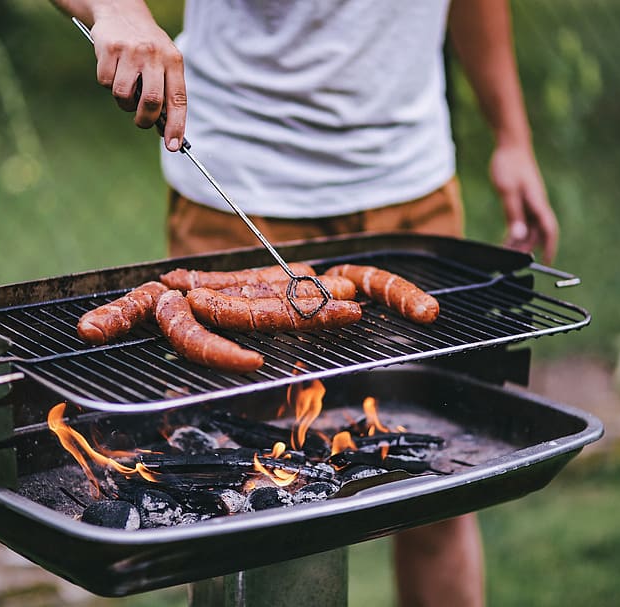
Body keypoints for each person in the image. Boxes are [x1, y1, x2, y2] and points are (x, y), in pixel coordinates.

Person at [53, 1, 558, 605]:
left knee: (437, 489)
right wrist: (116, 10)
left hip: (410, 186)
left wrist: (513, 136)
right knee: (239, 501)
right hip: (238, 183)